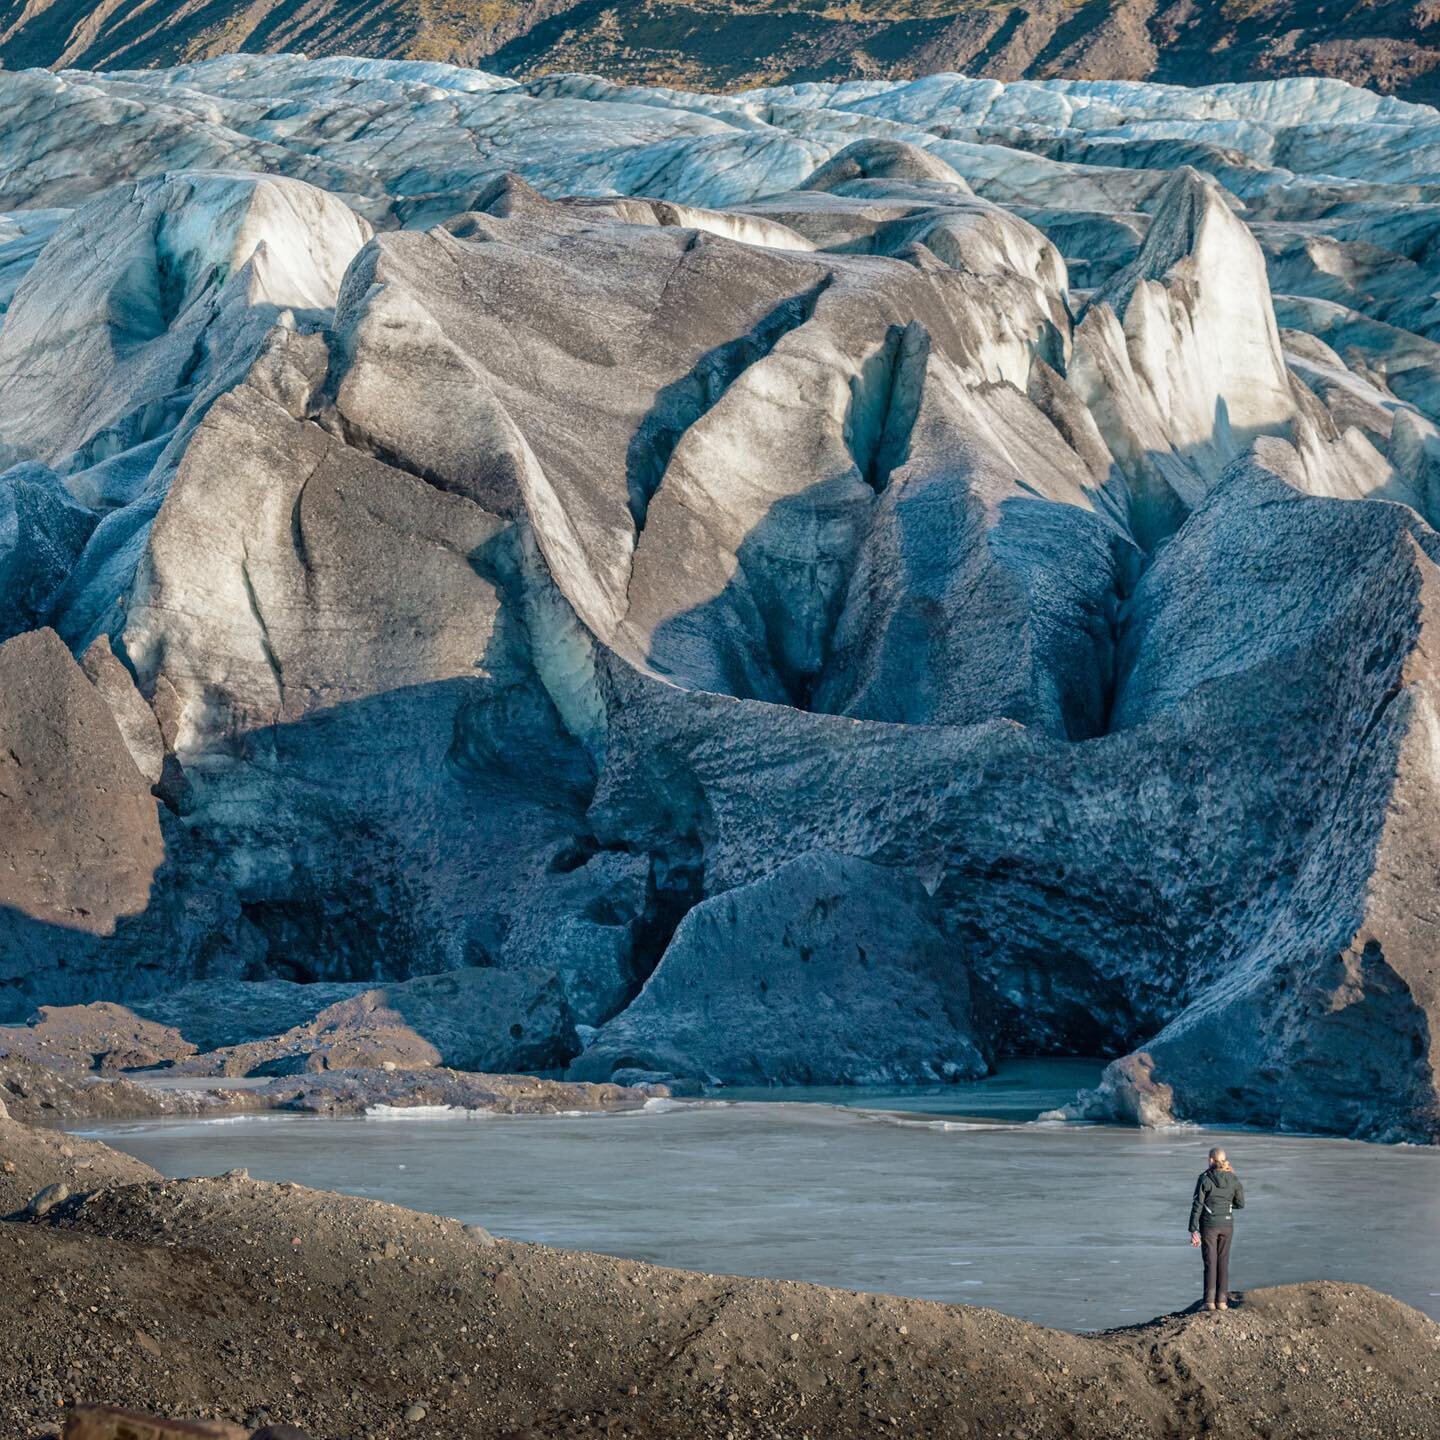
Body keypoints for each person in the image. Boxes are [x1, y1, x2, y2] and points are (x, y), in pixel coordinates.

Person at [1188, 1146, 1244, 1310]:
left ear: (1211, 1160)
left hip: (1209, 1226)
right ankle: (1222, 1302)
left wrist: (1193, 1229)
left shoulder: (1204, 1178)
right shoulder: (1233, 1178)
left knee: (1210, 1263)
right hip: (1227, 1225)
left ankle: (1209, 1303)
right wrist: (1226, 1206)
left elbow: (1197, 1204)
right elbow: (1240, 1203)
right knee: (1223, 1262)